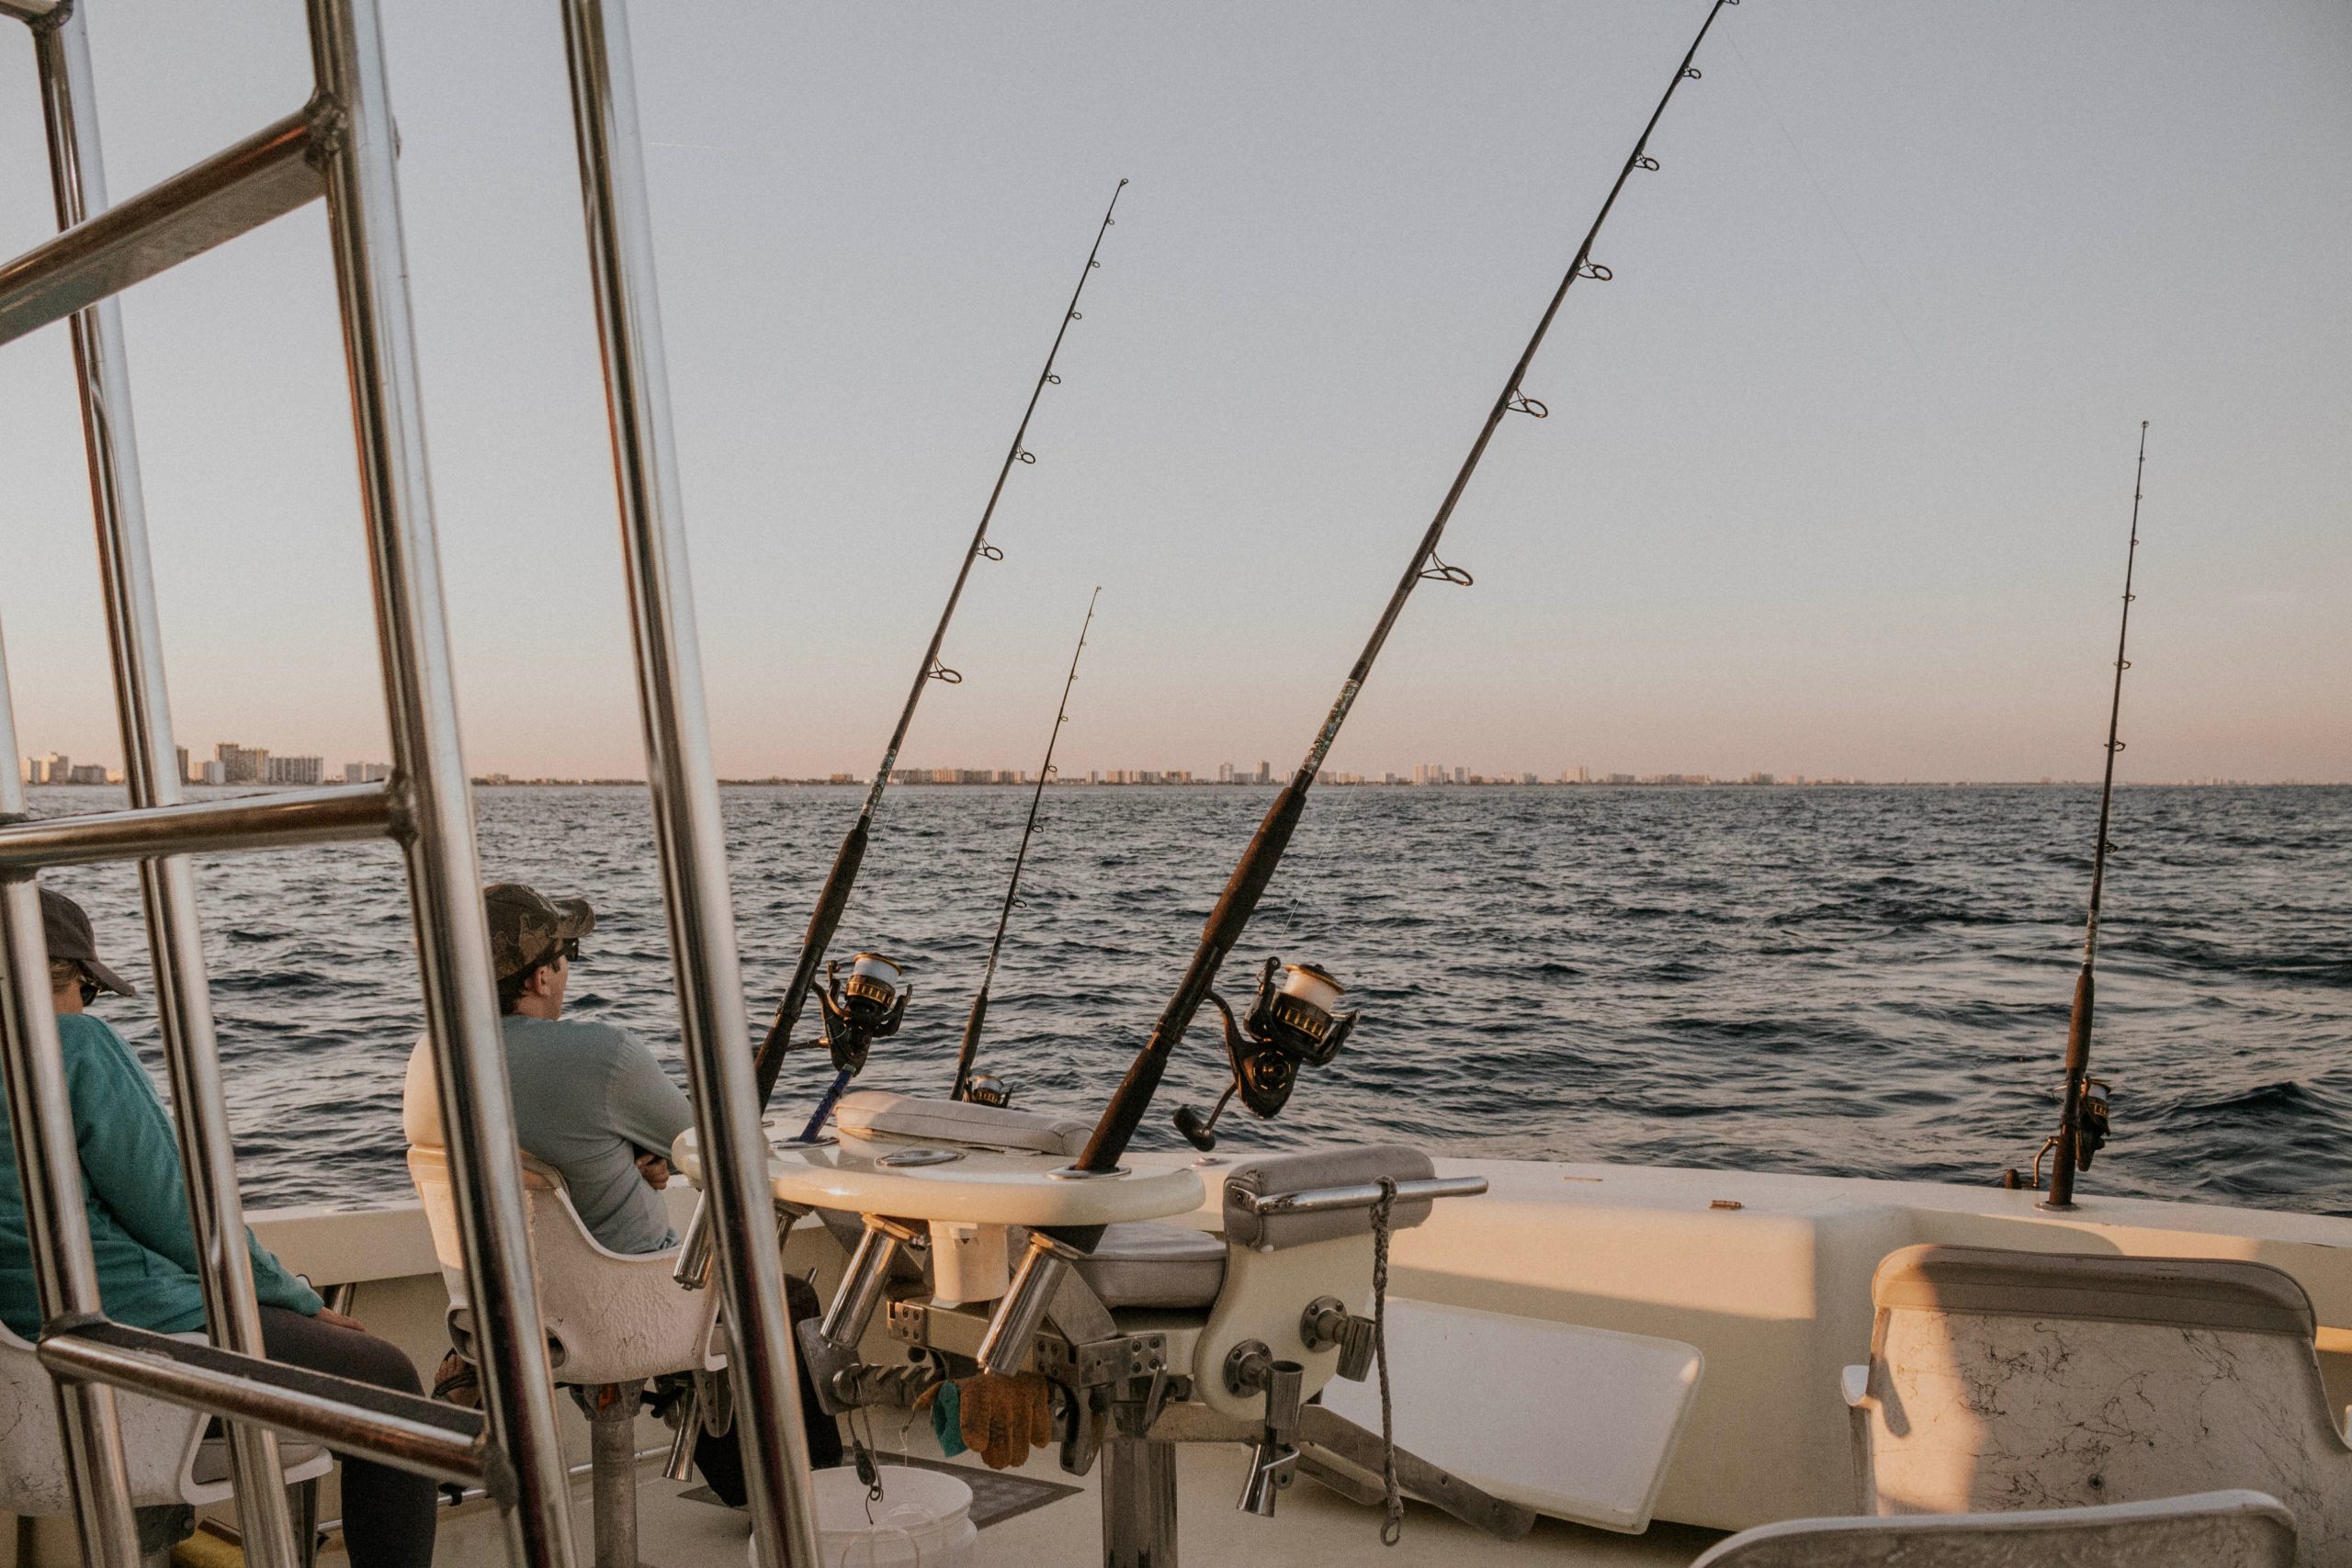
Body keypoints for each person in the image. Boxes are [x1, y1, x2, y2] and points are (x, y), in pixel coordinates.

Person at [1, 888, 435, 1567]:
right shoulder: (71, 1042)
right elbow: (181, 1214)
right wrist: (295, 1297)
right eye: (90, 989)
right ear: (60, 976)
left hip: (24, 1376)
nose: (88, 1008)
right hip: (122, 1343)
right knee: (392, 1387)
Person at [402, 882, 837, 1502]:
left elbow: (536, 1154)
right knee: (785, 1296)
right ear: (538, 978)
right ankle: (802, 1500)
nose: (566, 974)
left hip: (502, 1311)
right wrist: (661, 1153)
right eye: (565, 958)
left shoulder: (429, 1056)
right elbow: (720, 1155)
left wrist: (625, 1162)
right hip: (623, 1311)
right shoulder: (603, 1054)